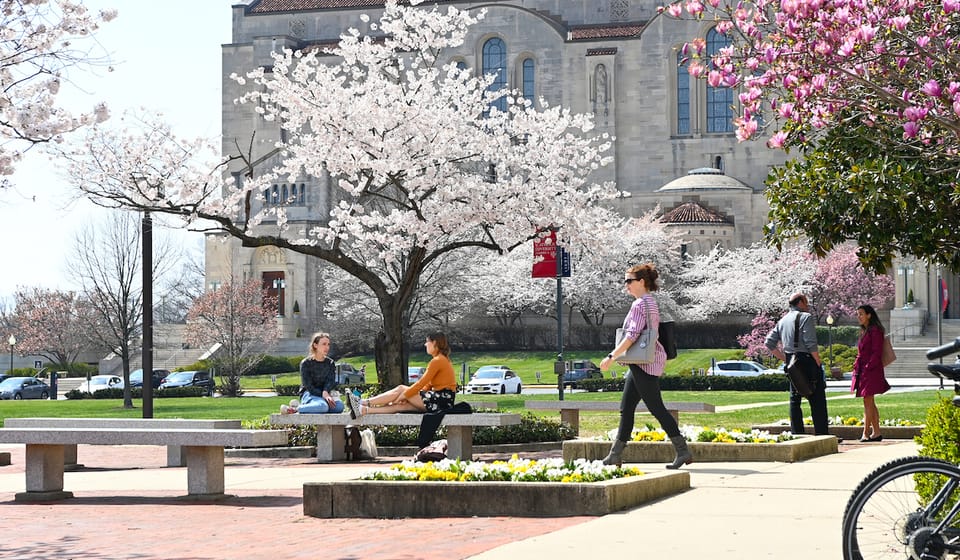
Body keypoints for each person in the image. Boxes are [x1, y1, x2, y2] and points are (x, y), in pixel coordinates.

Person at [598, 263, 692, 470]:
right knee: (627, 408)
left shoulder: (640, 304)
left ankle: (683, 450)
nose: (626, 286)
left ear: (642, 282)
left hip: (644, 363)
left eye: (629, 281)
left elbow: (631, 335)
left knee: (656, 408)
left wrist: (611, 356)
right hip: (643, 362)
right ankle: (615, 455)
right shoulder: (650, 302)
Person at [348, 332, 457, 418]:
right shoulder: (440, 359)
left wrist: (404, 395)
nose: (425, 344)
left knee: (401, 388)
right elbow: (427, 386)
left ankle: (363, 402)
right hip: (442, 401)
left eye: (427, 342)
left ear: (434, 343)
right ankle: (364, 410)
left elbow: (420, 383)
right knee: (402, 406)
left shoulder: (438, 360)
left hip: (441, 400)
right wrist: (408, 397)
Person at [764, 292, 829, 435]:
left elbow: (769, 343)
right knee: (817, 400)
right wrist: (818, 362)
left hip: (791, 362)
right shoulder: (806, 317)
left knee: (795, 399)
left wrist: (785, 359)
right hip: (806, 359)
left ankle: (797, 432)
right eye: (806, 302)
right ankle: (822, 434)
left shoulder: (783, 320)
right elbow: (810, 343)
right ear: (800, 302)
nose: (807, 305)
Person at [851, 304, 891, 441]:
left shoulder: (875, 331)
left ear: (869, 315)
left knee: (868, 400)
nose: (859, 317)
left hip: (871, 370)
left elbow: (876, 351)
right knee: (869, 402)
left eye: (861, 314)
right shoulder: (865, 331)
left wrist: (868, 367)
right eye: (858, 314)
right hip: (864, 370)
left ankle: (866, 433)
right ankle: (877, 432)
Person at [283, 332, 345, 414]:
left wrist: (326, 392)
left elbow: (330, 381)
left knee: (339, 407)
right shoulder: (305, 363)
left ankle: (312, 407)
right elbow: (309, 386)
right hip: (309, 393)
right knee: (323, 407)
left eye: (328, 344)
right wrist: (323, 395)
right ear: (315, 345)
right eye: (324, 344)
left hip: (325, 394)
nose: (327, 347)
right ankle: (295, 409)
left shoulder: (330, 363)